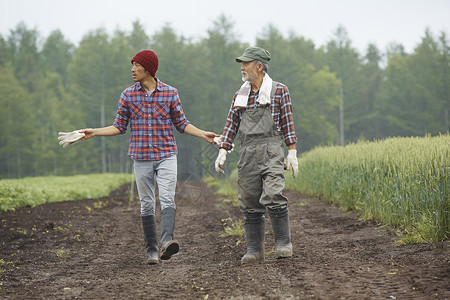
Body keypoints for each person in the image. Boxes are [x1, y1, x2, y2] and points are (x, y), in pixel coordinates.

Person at [58, 50, 218, 265]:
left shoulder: (170, 93)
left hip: (166, 155)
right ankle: (152, 252)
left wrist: (203, 134)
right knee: (146, 204)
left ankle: (167, 242)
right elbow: (118, 126)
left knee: (168, 198)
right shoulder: (127, 95)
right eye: (132, 65)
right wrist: (93, 131)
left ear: (148, 69)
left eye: (136, 65)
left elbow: (181, 123)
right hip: (141, 157)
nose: (132, 69)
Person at [215, 47, 299, 264]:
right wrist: (223, 150)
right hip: (248, 152)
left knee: (273, 193)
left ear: (259, 67)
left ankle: (283, 243)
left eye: (246, 63)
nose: (242, 68)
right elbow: (231, 125)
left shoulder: (279, 91)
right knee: (249, 200)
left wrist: (292, 152)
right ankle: (254, 251)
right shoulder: (239, 96)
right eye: (241, 64)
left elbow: (288, 123)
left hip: (272, 149)